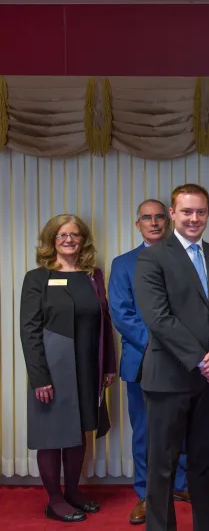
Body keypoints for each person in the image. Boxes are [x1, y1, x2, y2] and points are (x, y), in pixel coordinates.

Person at [134, 183, 209, 531]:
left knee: (202, 463)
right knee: (162, 466)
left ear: (208, 213)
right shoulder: (153, 257)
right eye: (187, 211)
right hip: (169, 379)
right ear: (172, 213)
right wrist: (201, 359)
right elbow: (158, 318)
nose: (194, 218)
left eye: (200, 212)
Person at [20, 214, 116, 523]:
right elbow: (29, 331)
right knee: (52, 435)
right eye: (62, 235)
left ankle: (73, 491)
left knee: (79, 431)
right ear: (51, 240)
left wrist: (108, 365)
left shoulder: (93, 275)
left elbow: (105, 321)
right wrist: (39, 377)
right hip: (52, 367)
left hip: (88, 366)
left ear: (83, 239)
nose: (69, 240)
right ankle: (55, 500)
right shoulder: (37, 278)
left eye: (75, 234)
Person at [109, 200, 189, 525]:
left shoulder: (186, 257)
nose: (153, 222)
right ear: (137, 223)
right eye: (147, 218)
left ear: (168, 220)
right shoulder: (123, 264)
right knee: (144, 430)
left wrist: (179, 346)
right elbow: (121, 312)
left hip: (183, 360)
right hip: (142, 361)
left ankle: (180, 485)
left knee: (183, 425)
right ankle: (146, 493)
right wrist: (160, 345)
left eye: (158, 217)